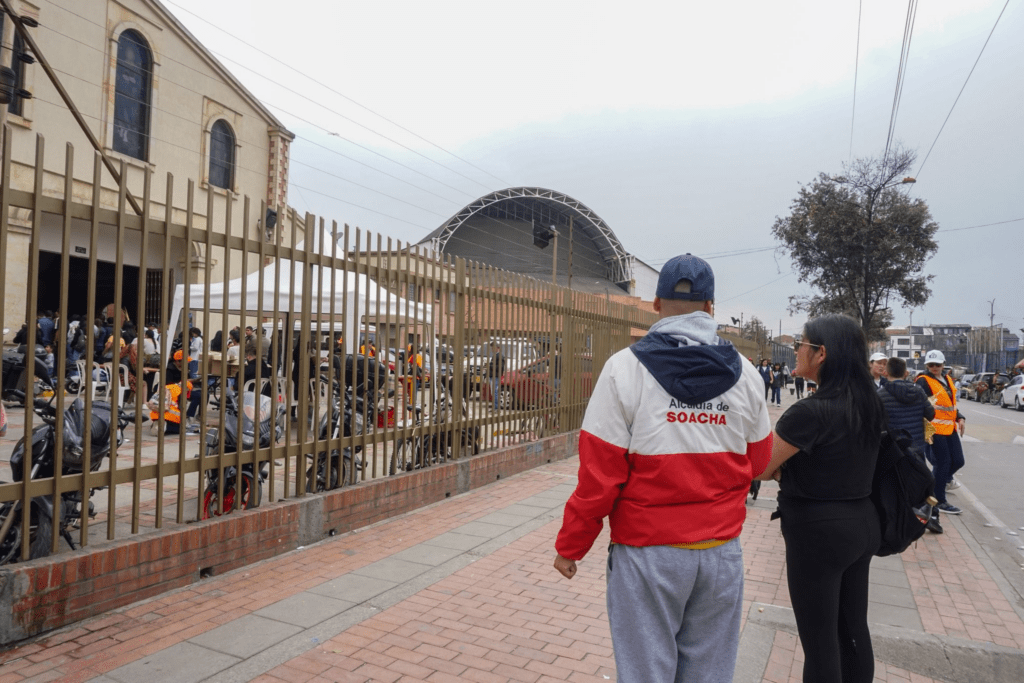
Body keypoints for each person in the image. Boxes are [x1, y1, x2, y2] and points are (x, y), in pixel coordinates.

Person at [554, 254, 772, 683]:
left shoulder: (623, 369)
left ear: (655, 304)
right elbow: (760, 463)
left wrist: (571, 545)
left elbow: (599, 476)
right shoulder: (747, 375)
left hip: (646, 554)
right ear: (710, 306)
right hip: (720, 554)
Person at [757, 314, 885, 683]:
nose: (797, 350)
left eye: (802, 344)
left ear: (821, 353)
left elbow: (760, 468)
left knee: (820, 642)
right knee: (853, 629)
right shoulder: (870, 404)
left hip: (818, 532)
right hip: (863, 523)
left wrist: (785, 470)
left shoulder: (809, 412)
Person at [878, 356, 941, 533]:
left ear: (886, 372)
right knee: (921, 482)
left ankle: (894, 521)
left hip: (892, 449)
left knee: (891, 485)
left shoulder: (880, 395)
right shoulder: (918, 392)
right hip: (916, 447)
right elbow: (930, 414)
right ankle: (931, 515)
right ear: (905, 373)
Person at [915, 350, 966, 514]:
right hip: (934, 429)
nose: (934, 367)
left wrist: (960, 417)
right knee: (942, 463)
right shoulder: (923, 381)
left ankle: (939, 483)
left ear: (943, 364)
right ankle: (939, 501)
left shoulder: (947, 379)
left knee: (958, 461)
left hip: (949, 428)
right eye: (931, 365)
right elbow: (921, 404)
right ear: (926, 366)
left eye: (937, 364)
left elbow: (950, 405)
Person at [148, 350, 192, 435]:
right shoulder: (170, 372)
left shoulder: (175, 387)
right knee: (180, 430)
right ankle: (165, 427)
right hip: (169, 416)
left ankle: (158, 424)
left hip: (155, 415)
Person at [486, 341, 505, 410]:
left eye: (493, 347)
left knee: (495, 392)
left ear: (498, 348)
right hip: (493, 376)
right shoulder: (495, 355)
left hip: (496, 376)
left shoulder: (499, 356)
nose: (492, 349)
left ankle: (496, 407)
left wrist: (490, 365)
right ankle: (495, 406)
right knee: (493, 392)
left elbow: (500, 367)